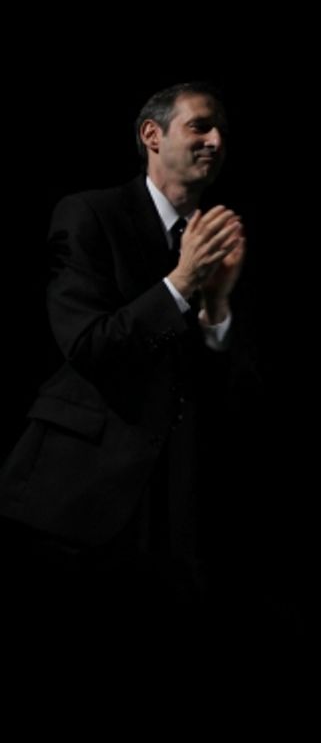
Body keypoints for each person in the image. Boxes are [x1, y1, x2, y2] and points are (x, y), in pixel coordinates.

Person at [0, 82, 246, 598]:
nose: (217, 140)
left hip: (183, 507)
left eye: (221, 130)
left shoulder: (224, 235)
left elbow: (236, 392)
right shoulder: (90, 215)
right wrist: (180, 283)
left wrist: (217, 307)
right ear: (152, 135)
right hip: (85, 495)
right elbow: (90, 344)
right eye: (199, 126)